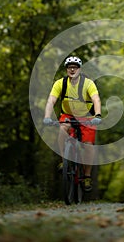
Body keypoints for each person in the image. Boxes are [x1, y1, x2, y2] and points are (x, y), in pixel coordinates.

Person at [43, 56, 101, 191]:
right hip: (68, 115)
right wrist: (47, 116)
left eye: (75, 67)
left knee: (88, 145)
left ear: (80, 69)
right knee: (63, 127)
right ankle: (64, 159)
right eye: (70, 67)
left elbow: (96, 99)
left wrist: (97, 115)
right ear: (66, 69)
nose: (72, 69)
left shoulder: (88, 83)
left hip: (87, 117)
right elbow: (51, 101)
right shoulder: (60, 84)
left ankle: (86, 176)